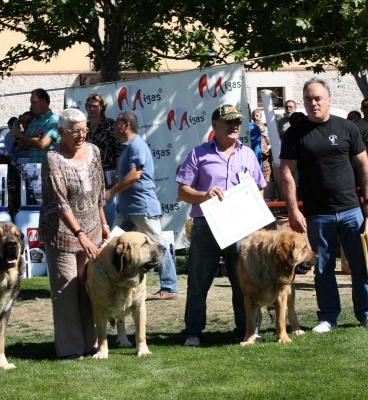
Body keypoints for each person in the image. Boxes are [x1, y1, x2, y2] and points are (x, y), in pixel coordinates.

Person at [280, 77, 368, 332]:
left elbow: (363, 166)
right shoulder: (294, 133)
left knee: (361, 265)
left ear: (328, 100)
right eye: (308, 99)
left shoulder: (348, 128)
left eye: (318, 98)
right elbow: (287, 173)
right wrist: (293, 209)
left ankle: (367, 313)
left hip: (351, 210)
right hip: (317, 214)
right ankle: (328, 317)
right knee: (322, 268)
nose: (313, 103)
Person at [176, 105, 266, 347]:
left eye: (237, 121)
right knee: (198, 281)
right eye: (228, 121)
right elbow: (183, 192)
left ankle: (246, 329)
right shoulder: (198, 154)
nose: (234, 125)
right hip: (207, 224)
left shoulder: (247, 154)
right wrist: (205, 195)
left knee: (242, 281)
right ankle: (193, 331)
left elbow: (259, 187)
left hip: (240, 226)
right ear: (214, 125)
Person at [39, 108, 110, 359]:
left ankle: (92, 344)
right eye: (75, 131)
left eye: (84, 130)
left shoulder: (94, 152)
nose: (81, 135)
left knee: (88, 288)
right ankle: (70, 349)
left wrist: (103, 224)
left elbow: (99, 193)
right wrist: (80, 234)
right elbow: (60, 203)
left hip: (91, 231)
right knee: (66, 290)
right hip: (61, 233)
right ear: (61, 132)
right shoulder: (53, 158)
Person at [106, 111, 179, 301]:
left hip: (142, 208)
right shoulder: (128, 146)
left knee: (158, 245)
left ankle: (169, 287)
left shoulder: (136, 145)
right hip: (127, 209)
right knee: (113, 244)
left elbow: (135, 175)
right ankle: (111, 281)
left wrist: (111, 192)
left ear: (125, 125)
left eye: (116, 123)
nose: (113, 127)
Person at [85, 93, 121, 228]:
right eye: (89, 106)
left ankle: (109, 241)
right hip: (89, 175)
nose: (91, 109)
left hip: (108, 174)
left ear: (102, 107)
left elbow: (118, 151)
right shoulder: (85, 126)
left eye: (95, 106)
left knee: (108, 211)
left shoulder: (109, 124)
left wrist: (117, 174)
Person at [18, 88, 60, 163]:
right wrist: (33, 138)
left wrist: (25, 136)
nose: (31, 106)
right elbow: (21, 146)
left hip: (49, 169)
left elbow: (42, 143)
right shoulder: (34, 121)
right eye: (31, 103)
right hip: (34, 169)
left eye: (34, 102)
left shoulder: (53, 121)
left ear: (43, 102)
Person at [252, 109, 272, 182]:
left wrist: (264, 136)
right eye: (253, 115)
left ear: (260, 117)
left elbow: (270, 142)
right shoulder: (250, 127)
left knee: (266, 172)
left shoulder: (265, 128)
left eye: (257, 116)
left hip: (264, 154)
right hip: (254, 155)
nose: (255, 117)